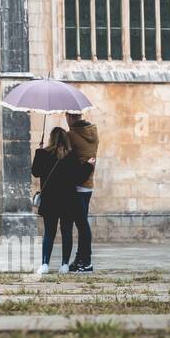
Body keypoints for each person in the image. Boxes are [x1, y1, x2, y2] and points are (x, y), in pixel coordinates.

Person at [30, 127, 91, 274]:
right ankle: (64, 265)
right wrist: (89, 165)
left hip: (50, 201)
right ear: (66, 139)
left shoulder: (43, 154)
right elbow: (79, 177)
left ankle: (44, 264)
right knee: (66, 232)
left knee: (49, 233)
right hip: (68, 201)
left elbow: (35, 172)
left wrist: (38, 151)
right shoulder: (71, 156)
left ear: (51, 139)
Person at [65, 111, 99, 272]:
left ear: (70, 117)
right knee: (82, 223)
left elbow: (66, 158)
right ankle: (80, 259)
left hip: (77, 185)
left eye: (66, 117)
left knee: (82, 225)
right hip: (88, 184)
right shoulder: (93, 132)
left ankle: (86, 261)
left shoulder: (71, 135)